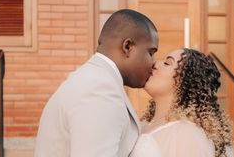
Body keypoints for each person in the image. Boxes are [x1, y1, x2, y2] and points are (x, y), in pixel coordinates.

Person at [34, 9, 158, 157]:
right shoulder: (99, 89)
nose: (154, 63)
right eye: (150, 53)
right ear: (128, 47)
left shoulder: (92, 79)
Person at [130, 48, 233, 157]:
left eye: (167, 63)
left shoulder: (187, 134)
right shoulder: (142, 125)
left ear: (186, 81)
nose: (155, 63)